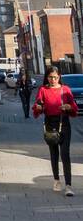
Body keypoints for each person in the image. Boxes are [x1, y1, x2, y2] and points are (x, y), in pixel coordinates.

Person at [32, 66, 77, 196]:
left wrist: (69, 106)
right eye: (51, 77)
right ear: (47, 77)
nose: (53, 80)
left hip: (64, 123)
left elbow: (74, 109)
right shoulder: (43, 90)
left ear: (59, 77)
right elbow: (36, 108)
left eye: (56, 77)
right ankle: (57, 180)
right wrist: (39, 107)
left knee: (65, 154)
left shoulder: (65, 90)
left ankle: (68, 185)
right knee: (54, 154)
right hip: (50, 124)